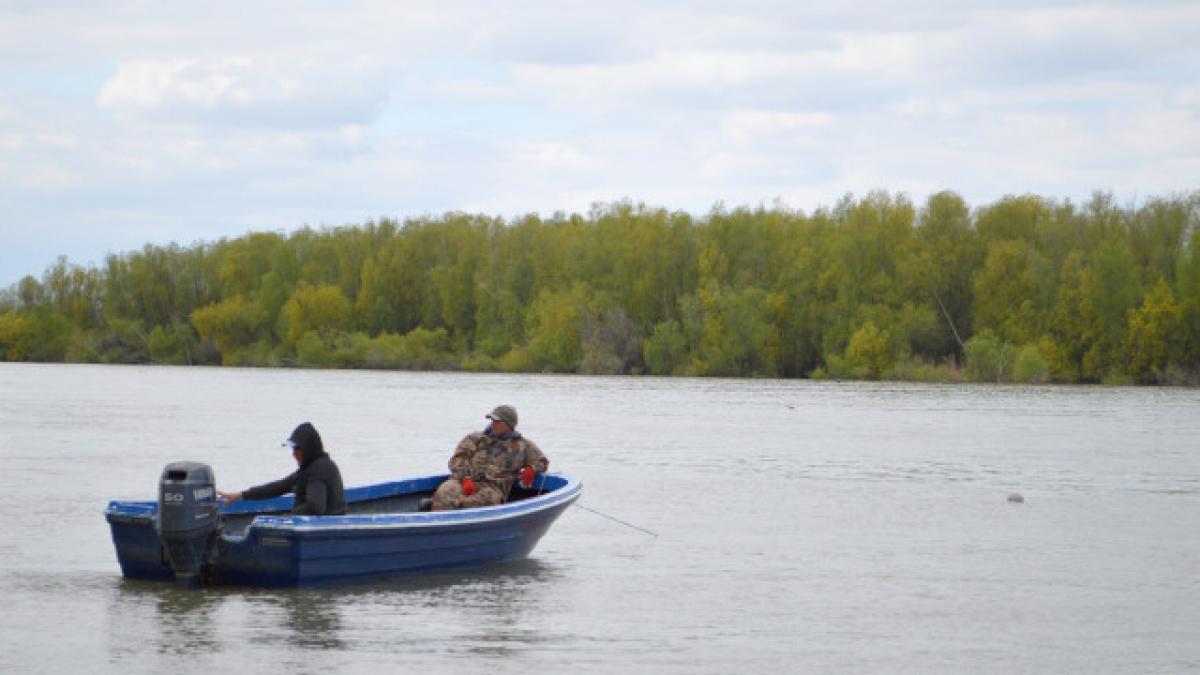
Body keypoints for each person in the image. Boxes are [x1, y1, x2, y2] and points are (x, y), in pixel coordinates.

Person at [430, 405, 549, 511]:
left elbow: (542, 462)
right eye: (492, 421)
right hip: (465, 481)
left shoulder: (523, 445)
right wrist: (465, 477)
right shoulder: (476, 438)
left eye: (497, 421)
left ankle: (457, 511)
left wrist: (532, 469)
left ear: (508, 424)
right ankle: (437, 518)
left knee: (486, 500)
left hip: (493, 488)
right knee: (445, 490)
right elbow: (458, 458)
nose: (493, 424)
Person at [218, 422, 347, 516]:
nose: (294, 454)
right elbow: (279, 487)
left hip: (325, 533)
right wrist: (242, 495)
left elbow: (315, 507)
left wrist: (289, 517)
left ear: (308, 448)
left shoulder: (320, 469)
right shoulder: (308, 469)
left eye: (297, 449)